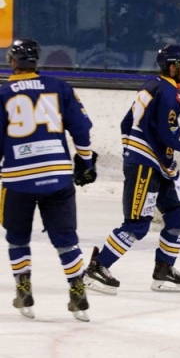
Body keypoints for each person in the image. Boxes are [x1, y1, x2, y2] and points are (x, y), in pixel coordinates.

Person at [84, 44, 180, 294]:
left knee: (179, 217)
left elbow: (127, 123)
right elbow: (169, 136)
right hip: (146, 166)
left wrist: (132, 149)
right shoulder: (167, 92)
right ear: (173, 67)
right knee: (137, 224)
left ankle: (163, 270)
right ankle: (97, 266)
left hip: (159, 165)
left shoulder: (154, 86)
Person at [0, 38, 95, 321]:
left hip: (18, 180)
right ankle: (78, 292)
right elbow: (81, 129)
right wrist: (86, 162)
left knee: (17, 238)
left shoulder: (3, 93)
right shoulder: (59, 87)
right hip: (58, 176)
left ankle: (24, 290)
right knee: (66, 239)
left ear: (13, 62)